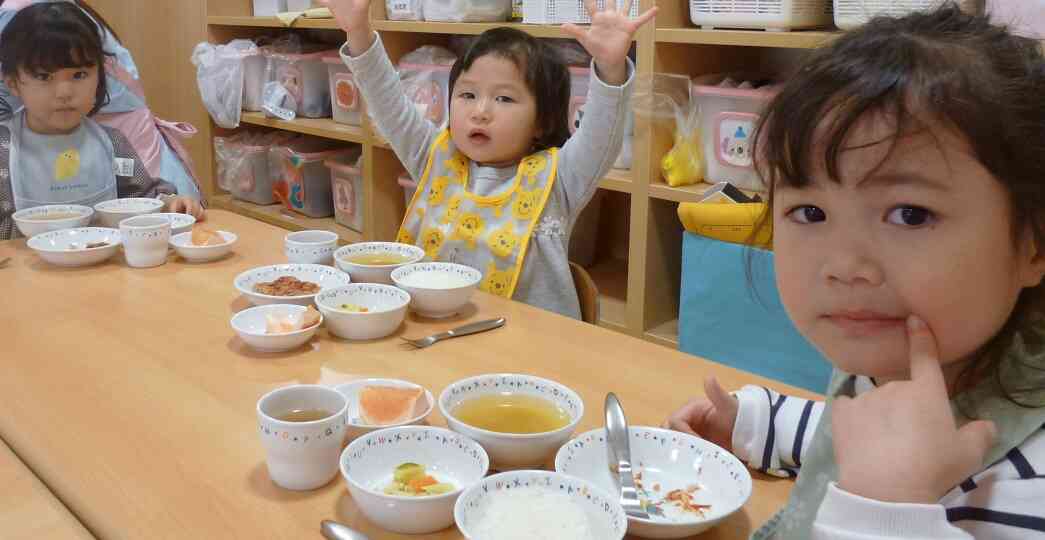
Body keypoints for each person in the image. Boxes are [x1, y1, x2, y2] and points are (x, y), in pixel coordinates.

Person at [664, 5, 1045, 538]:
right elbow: (871, 423)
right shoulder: (901, 362)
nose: (846, 267)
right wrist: (762, 425)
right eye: (810, 213)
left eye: (910, 214)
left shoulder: (1027, 489)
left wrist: (884, 514)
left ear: (1032, 243)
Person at [319, 0, 655, 319]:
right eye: (467, 94)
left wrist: (610, 69)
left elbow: (601, 134)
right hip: (436, 333)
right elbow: (388, 100)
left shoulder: (560, 177)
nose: (480, 112)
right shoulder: (434, 156)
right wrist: (359, 34)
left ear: (542, 121)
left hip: (529, 351)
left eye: (504, 98)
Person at [0, 2, 202, 239]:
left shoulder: (111, 142)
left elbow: (143, 197)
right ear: (12, 82)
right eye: (44, 76)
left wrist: (171, 204)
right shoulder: (4, 148)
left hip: (104, 270)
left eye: (79, 75)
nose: (64, 92)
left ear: (99, 77)